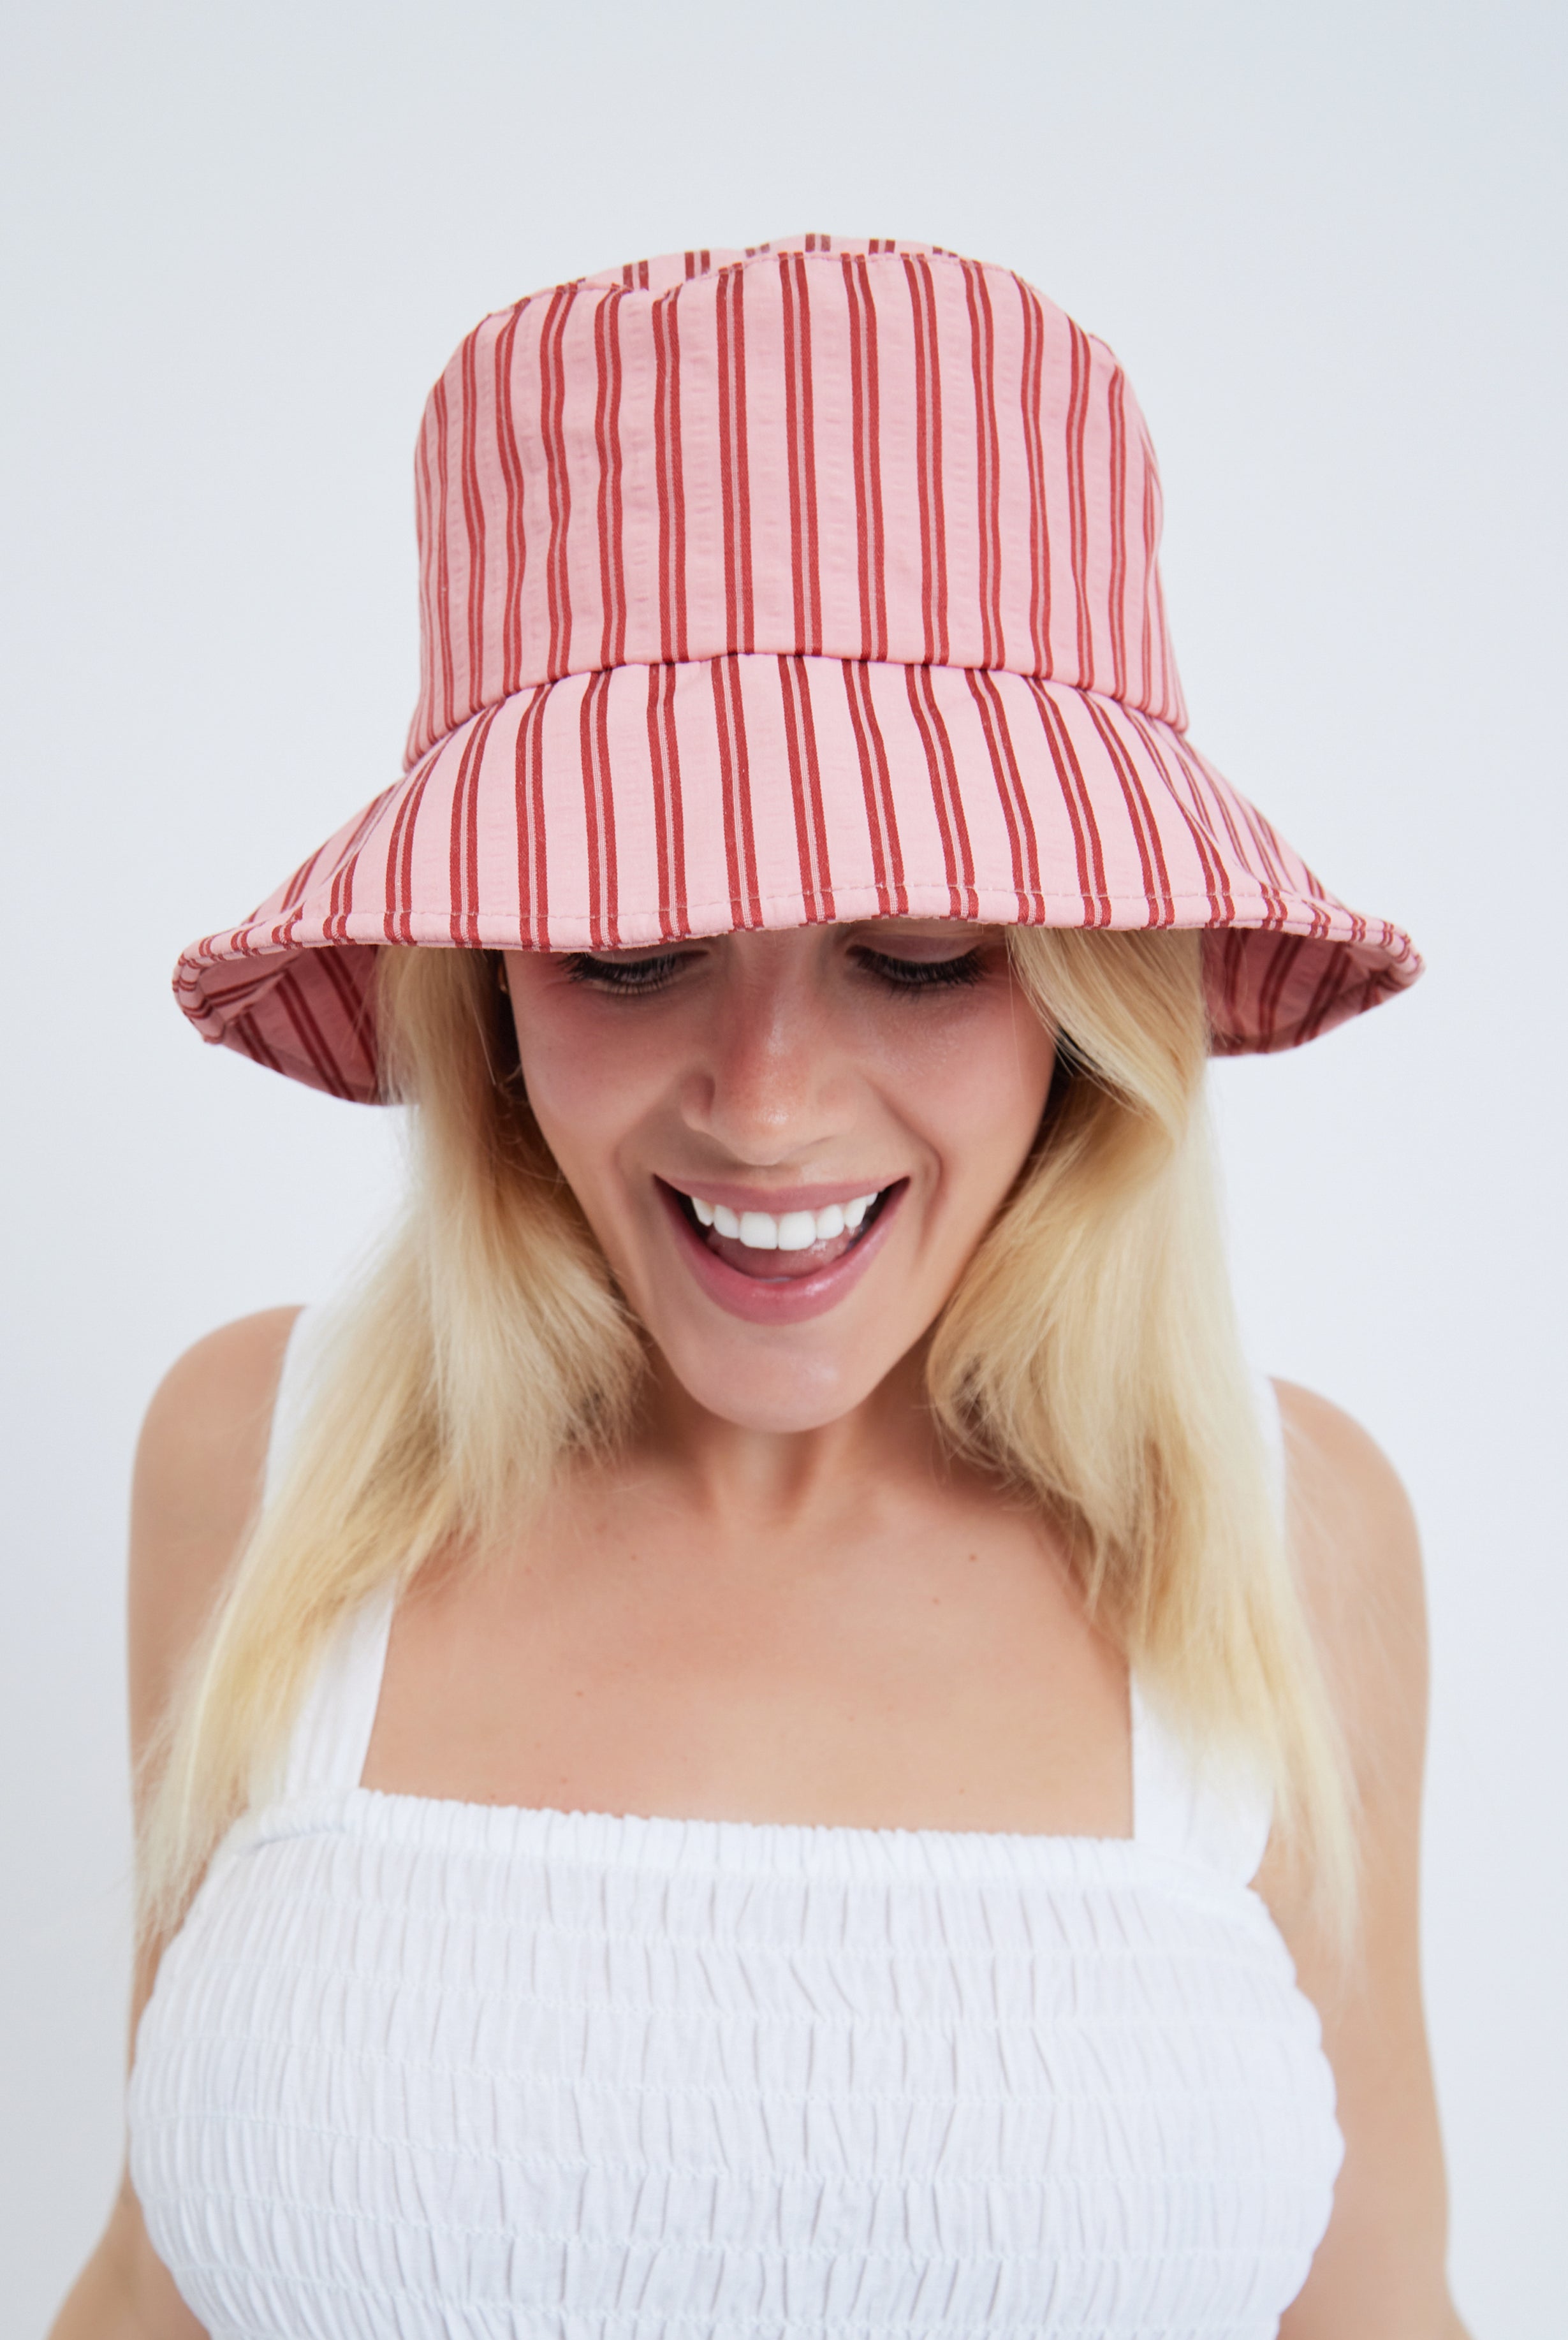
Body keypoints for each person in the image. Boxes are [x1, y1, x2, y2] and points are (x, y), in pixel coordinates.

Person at [52, 236, 1467, 2339]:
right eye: (626, 951)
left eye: (915, 955)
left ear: (1088, 1000)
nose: (768, 1102)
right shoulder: (257, 1470)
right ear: (487, 989)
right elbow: (161, 2278)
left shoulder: (1276, 1539)